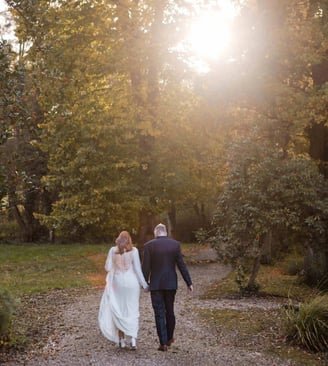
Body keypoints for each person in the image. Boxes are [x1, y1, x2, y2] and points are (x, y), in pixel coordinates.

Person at [142, 223, 193, 351]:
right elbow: (181, 265)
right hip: (171, 284)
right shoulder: (175, 245)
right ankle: (170, 337)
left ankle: (163, 342)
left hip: (156, 284)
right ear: (165, 232)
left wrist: (145, 284)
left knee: (159, 313)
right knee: (170, 310)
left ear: (156, 232)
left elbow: (146, 268)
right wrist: (189, 282)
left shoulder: (149, 246)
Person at [98, 231, 148, 350]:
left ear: (118, 239)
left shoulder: (112, 250)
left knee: (119, 310)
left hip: (118, 283)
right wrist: (145, 284)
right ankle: (133, 340)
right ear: (129, 239)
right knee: (132, 309)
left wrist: (112, 259)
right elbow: (137, 269)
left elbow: (107, 268)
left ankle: (122, 340)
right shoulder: (134, 251)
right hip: (132, 283)